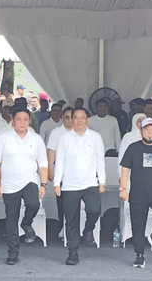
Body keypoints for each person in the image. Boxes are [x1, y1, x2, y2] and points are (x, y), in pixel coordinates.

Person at [0, 107, 48, 265]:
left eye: (25, 119)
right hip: (9, 184)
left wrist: (43, 184)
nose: (22, 122)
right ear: (12, 120)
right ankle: (13, 252)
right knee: (11, 218)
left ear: (29, 121)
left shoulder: (36, 138)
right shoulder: (4, 137)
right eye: (19, 119)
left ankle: (27, 222)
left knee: (33, 204)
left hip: (30, 180)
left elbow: (43, 161)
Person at [119, 118, 152, 268]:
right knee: (138, 225)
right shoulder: (133, 148)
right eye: (147, 129)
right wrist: (123, 188)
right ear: (141, 131)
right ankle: (139, 255)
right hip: (138, 192)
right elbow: (125, 170)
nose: (150, 133)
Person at [54, 107, 106, 265]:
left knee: (94, 210)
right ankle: (72, 252)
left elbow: (100, 160)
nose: (79, 120)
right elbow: (60, 162)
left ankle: (88, 229)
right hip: (69, 185)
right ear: (71, 119)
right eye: (75, 117)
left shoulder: (95, 137)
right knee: (71, 220)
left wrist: (102, 181)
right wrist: (57, 183)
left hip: (90, 183)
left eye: (82, 117)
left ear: (87, 120)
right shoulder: (65, 138)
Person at [47, 106, 74, 239]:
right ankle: (62, 226)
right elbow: (51, 152)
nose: (69, 120)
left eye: (71, 117)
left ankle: (72, 227)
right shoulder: (56, 132)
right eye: (67, 117)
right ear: (62, 118)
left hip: (77, 172)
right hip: (60, 171)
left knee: (73, 201)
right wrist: (50, 169)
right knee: (62, 201)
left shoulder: (80, 132)